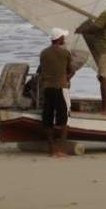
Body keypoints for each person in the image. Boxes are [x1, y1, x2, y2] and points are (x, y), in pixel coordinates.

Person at [39, 27, 75, 157]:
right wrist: (67, 78)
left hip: (47, 88)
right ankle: (61, 149)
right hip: (61, 88)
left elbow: (42, 71)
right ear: (59, 39)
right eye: (63, 37)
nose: (64, 39)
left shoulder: (43, 53)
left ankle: (51, 148)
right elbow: (71, 70)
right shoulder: (65, 53)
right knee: (64, 119)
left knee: (47, 118)